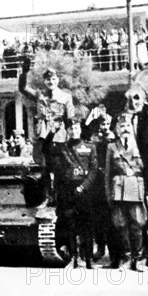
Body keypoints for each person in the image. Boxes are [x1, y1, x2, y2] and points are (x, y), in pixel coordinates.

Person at [19, 61, 75, 205]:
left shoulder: (66, 97)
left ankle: (57, 198)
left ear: (58, 80)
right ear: (44, 81)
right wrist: (24, 73)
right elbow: (23, 88)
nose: (51, 81)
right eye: (48, 79)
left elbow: (70, 119)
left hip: (58, 137)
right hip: (43, 136)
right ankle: (46, 197)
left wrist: (72, 138)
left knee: (59, 169)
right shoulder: (39, 95)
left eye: (53, 79)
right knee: (44, 168)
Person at [46, 117, 98, 269]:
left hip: (84, 189)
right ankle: (74, 258)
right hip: (67, 190)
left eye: (76, 128)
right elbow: (46, 150)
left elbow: (94, 169)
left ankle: (88, 259)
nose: (74, 131)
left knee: (87, 225)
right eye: (71, 129)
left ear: (80, 130)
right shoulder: (61, 147)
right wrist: (52, 132)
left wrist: (83, 187)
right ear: (67, 131)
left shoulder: (90, 146)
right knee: (70, 224)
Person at [105, 113, 147, 271]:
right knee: (121, 225)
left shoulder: (140, 146)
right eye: (122, 126)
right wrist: (108, 194)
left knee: (137, 224)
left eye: (128, 126)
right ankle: (127, 257)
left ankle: (138, 258)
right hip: (119, 189)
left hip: (136, 188)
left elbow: (146, 171)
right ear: (117, 129)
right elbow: (107, 173)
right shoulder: (112, 147)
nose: (125, 129)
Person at [89, 113, 117, 263]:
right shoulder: (95, 140)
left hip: (111, 181)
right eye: (102, 124)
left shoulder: (114, 139)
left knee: (112, 220)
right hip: (97, 183)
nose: (104, 127)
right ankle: (100, 247)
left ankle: (114, 253)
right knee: (98, 219)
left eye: (107, 124)